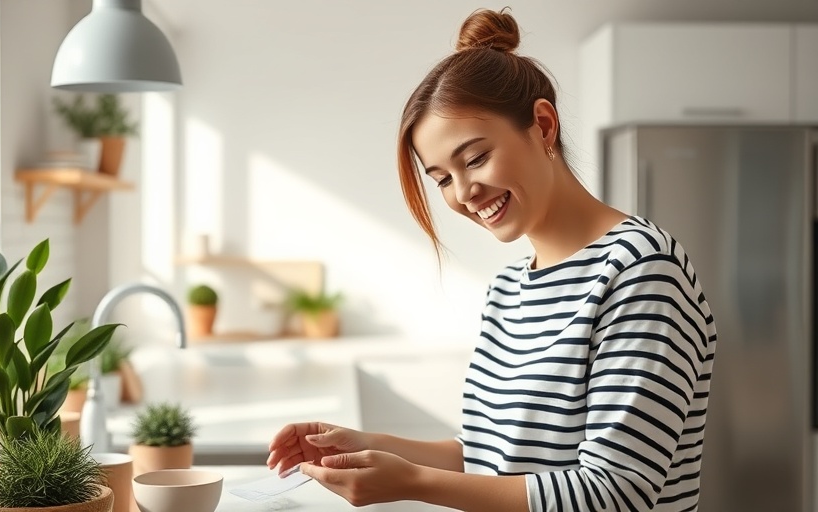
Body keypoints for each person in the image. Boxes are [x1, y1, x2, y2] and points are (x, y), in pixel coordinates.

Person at [267, 7, 716, 512]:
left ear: (543, 126)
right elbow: (488, 460)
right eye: (441, 179)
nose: (464, 193)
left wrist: (412, 482)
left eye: (476, 158)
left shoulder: (640, 270)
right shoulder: (509, 288)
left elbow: (615, 493)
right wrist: (362, 447)